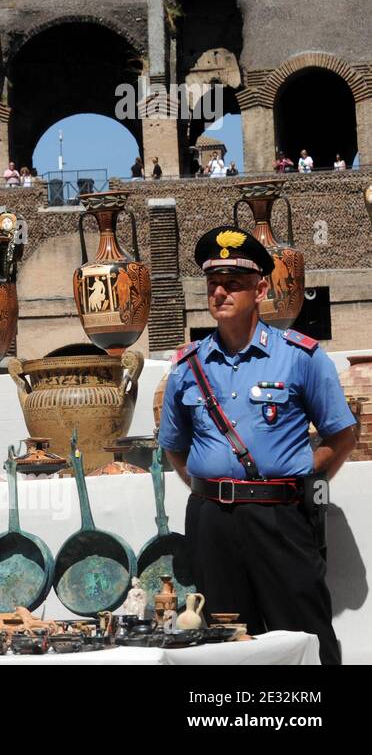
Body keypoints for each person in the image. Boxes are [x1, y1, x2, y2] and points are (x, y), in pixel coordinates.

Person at [158, 226, 356, 665]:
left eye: (233, 284)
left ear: (260, 288)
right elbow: (174, 445)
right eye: (213, 284)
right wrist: (210, 486)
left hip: (280, 517)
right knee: (224, 641)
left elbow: (342, 435)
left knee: (304, 633)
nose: (221, 292)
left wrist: (306, 472)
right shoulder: (187, 367)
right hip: (212, 522)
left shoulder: (300, 357)